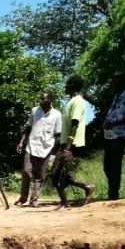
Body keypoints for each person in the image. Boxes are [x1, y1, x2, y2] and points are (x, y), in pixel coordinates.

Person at [52, 75, 96, 209]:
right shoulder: (70, 101)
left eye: (67, 84)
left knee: (56, 172)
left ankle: (65, 203)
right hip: (65, 143)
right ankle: (86, 187)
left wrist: (67, 147)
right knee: (59, 172)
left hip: (72, 144)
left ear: (73, 85)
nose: (64, 87)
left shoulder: (78, 101)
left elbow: (75, 124)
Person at [15, 92, 62, 207]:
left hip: (46, 149)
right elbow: (27, 127)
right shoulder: (34, 111)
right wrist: (21, 142)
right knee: (26, 171)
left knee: (40, 176)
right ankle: (23, 198)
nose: (41, 101)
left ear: (50, 100)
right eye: (40, 99)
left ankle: (34, 200)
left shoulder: (57, 115)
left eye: (43, 99)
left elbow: (58, 135)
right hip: (31, 146)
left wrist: (54, 152)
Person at [102, 89, 125, 201]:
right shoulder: (116, 97)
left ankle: (113, 194)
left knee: (115, 165)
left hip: (119, 135)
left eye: (117, 81)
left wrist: (113, 123)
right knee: (107, 165)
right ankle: (112, 191)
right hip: (110, 136)